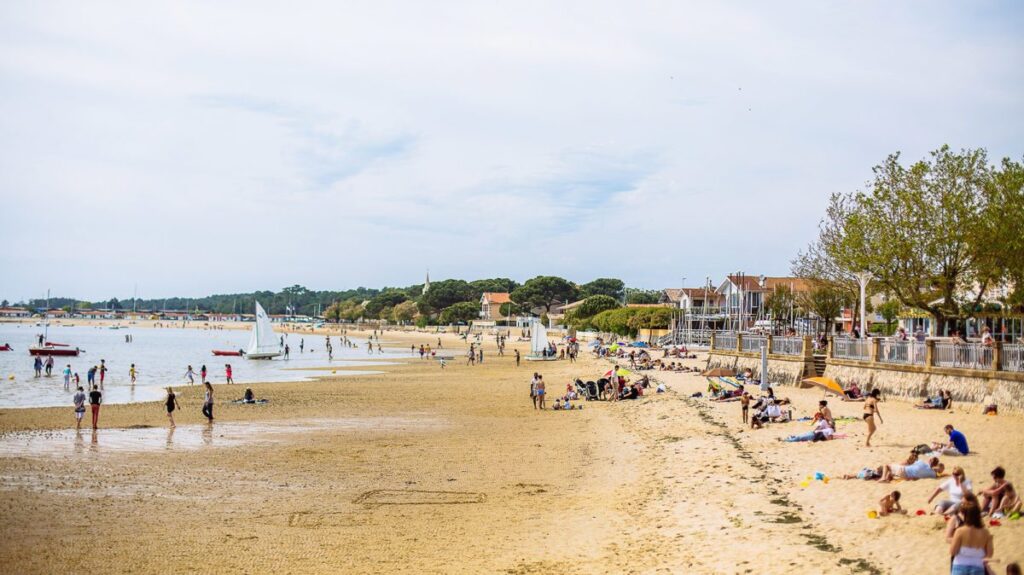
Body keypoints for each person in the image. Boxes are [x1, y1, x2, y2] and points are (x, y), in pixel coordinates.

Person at [949, 499, 993, 575]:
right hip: (977, 566)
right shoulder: (985, 532)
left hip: (960, 565)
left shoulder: (960, 531)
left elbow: (953, 551)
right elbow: (989, 554)